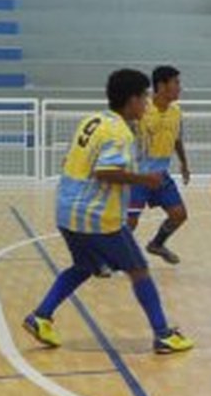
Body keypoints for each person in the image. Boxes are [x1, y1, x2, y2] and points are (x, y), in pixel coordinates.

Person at [22, 69, 194, 354]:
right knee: (139, 269)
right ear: (132, 100)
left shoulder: (92, 120)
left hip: (66, 212)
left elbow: (70, 158)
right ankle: (163, 334)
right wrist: (143, 179)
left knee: (84, 267)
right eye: (144, 98)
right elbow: (105, 171)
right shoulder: (119, 132)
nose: (147, 104)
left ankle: (40, 316)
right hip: (96, 217)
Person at [127, 65, 190, 265]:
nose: (180, 87)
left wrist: (184, 163)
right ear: (162, 85)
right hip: (138, 176)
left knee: (179, 215)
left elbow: (177, 139)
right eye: (176, 83)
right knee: (130, 222)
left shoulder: (177, 111)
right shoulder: (142, 110)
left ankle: (156, 244)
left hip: (161, 175)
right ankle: (108, 257)